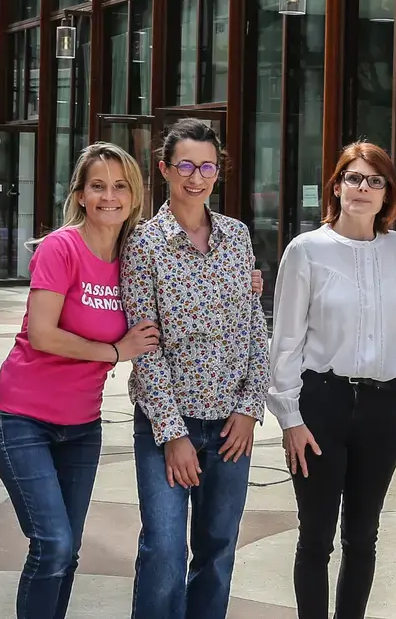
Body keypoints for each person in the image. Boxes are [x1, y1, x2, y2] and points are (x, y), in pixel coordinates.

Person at [0, 142, 161, 619]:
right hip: (23, 419)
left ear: (134, 194)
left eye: (121, 186)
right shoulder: (61, 247)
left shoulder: (136, 254)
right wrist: (115, 351)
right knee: (54, 545)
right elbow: (43, 334)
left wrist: (240, 279)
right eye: (98, 186)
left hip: (82, 427)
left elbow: (189, 272)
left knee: (67, 554)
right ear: (81, 195)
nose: (110, 196)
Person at [121, 118, 270, 619]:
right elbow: (146, 346)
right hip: (169, 426)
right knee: (164, 550)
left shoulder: (237, 236)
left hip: (231, 427)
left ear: (217, 171)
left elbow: (254, 330)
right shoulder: (143, 244)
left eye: (206, 166)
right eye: (184, 164)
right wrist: (172, 434)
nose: (195, 176)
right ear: (164, 169)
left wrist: (250, 410)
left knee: (218, 549)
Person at [268, 141, 396, 619]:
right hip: (320, 406)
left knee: (363, 535)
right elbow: (285, 341)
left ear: (387, 192)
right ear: (336, 186)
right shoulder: (306, 250)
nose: (363, 188)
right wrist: (290, 417)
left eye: (375, 180)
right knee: (315, 536)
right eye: (353, 177)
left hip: (381, 405)